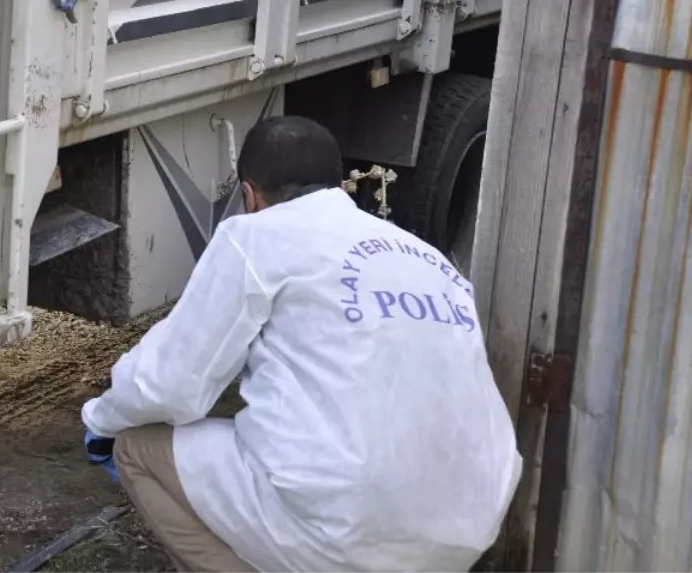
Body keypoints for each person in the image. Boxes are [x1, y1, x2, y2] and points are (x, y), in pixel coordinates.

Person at [81, 116, 520, 573]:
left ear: (249, 196)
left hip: (344, 529)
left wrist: (102, 419)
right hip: (469, 524)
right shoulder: (428, 258)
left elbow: (169, 385)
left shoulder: (255, 235)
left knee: (135, 446)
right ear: (338, 186)